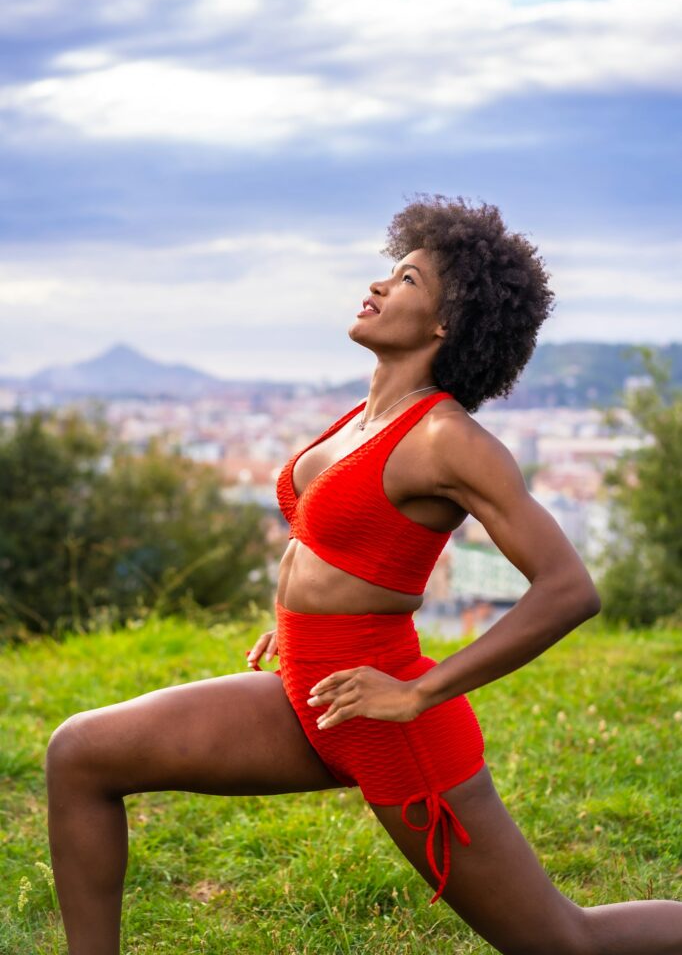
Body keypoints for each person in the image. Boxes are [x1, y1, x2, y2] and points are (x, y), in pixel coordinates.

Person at [46, 193, 682, 955]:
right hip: (311, 696)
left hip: (390, 723)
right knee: (79, 755)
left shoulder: (448, 439)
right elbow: (343, 546)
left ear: (446, 324)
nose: (380, 286)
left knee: (561, 942)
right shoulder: (362, 416)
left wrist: (419, 691)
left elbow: (569, 588)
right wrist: (292, 616)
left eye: (408, 280)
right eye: (391, 271)